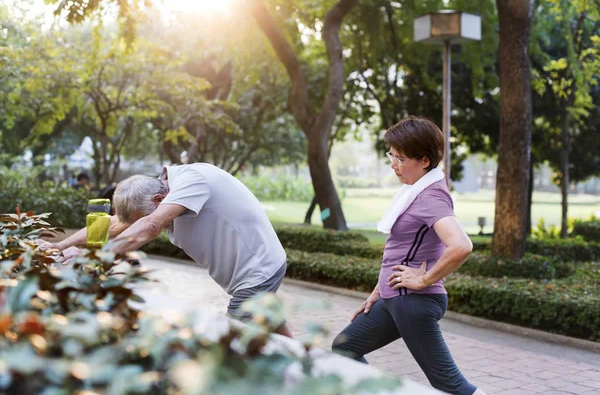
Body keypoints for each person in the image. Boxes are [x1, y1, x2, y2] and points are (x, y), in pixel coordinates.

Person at [38, 163, 292, 337]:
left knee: (230, 349)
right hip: (253, 270)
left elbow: (149, 225)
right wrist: (59, 246)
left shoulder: (192, 181)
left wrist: (90, 256)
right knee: (278, 333)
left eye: (139, 218)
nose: (136, 224)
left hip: (257, 271)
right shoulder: (162, 189)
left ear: (159, 201)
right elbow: (113, 224)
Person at [331, 117, 485, 395]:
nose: (393, 164)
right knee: (345, 347)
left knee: (450, 385)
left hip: (413, 303)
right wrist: (378, 289)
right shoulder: (415, 191)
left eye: (400, 158)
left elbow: (461, 245)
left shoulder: (430, 197)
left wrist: (424, 279)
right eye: (392, 155)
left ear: (424, 160)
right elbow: (401, 250)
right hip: (395, 299)